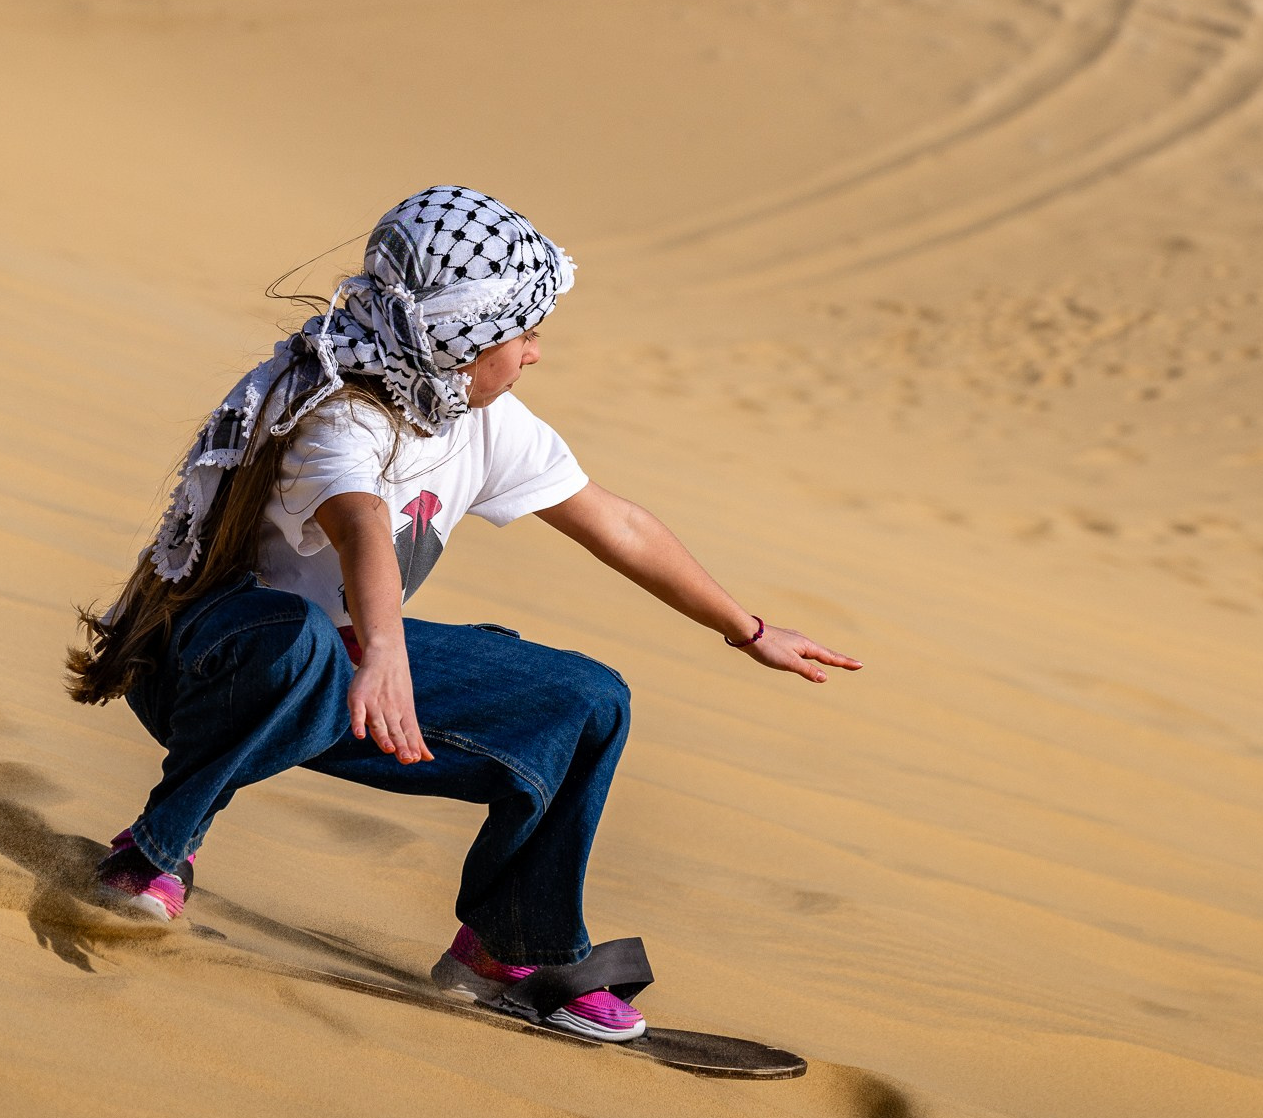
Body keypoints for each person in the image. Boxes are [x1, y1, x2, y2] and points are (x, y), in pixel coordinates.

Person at [67, 186, 859, 1040]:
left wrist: (747, 628)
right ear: (458, 341)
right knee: (299, 644)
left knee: (588, 701)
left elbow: (616, 521)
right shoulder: (336, 409)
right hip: (209, 667)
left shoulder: (479, 421)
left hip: (353, 669)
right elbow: (361, 521)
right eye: (522, 333)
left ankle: (504, 947)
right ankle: (151, 854)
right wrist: (382, 649)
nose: (534, 352)